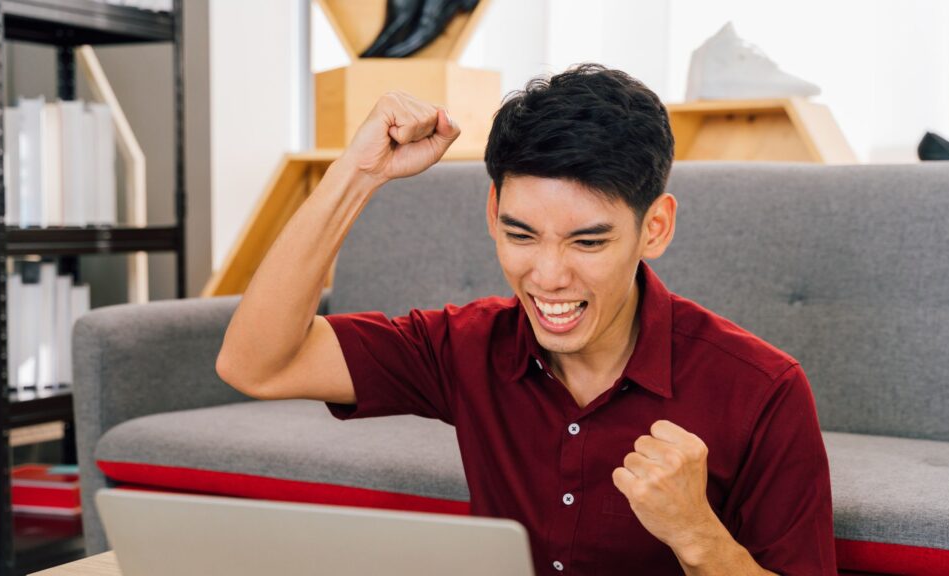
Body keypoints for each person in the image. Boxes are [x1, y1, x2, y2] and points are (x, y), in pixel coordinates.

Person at [217, 63, 836, 576]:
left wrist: (700, 537)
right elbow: (256, 365)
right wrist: (358, 173)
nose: (547, 276)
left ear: (656, 228)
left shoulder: (763, 389)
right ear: (492, 214)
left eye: (587, 243)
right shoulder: (465, 345)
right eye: (521, 234)